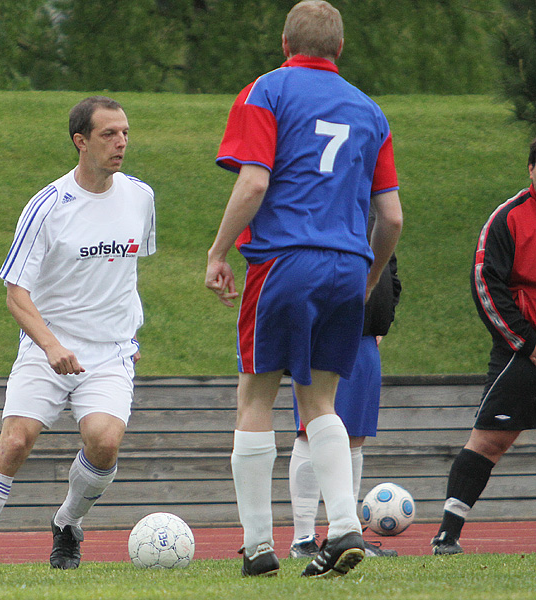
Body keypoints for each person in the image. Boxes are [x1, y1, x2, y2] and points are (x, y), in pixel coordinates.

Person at [204, 0, 403, 578]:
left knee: (256, 397)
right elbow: (390, 217)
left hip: (283, 261)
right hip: (347, 264)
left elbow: (255, 180)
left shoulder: (265, 91)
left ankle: (259, 545)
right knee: (321, 401)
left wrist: (219, 251)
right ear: (339, 48)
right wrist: (367, 276)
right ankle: (342, 526)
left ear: (284, 42)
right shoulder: (371, 110)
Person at [0, 96, 156, 572]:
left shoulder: (141, 197)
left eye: (124, 132)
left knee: (104, 442)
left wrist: (130, 338)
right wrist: (52, 346)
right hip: (48, 346)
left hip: (111, 353)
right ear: (80, 141)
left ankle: (67, 523)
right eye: (108, 134)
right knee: (16, 442)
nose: (121, 142)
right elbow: (15, 294)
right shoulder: (47, 206)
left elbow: (126, 276)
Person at [432, 136, 536, 556]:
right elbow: (485, 284)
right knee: (490, 440)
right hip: (523, 349)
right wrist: (526, 343)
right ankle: (447, 535)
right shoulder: (508, 218)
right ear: (531, 170)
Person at [289, 247, 401, 559]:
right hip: (324, 327)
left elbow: (390, 266)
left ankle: (347, 533)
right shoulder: (322, 203)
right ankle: (303, 539)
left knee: (355, 434)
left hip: (365, 332)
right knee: (310, 430)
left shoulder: (374, 207)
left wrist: (382, 319)